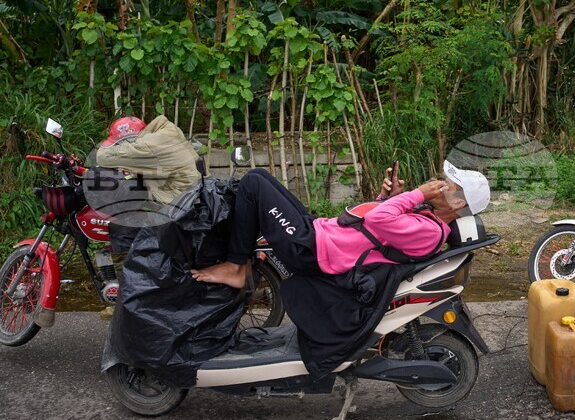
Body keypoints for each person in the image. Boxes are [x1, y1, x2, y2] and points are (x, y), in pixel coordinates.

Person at [191, 161, 491, 289]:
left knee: (254, 182)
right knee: (262, 179)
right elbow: (376, 228)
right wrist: (388, 196)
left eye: (448, 186)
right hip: (321, 234)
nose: (438, 185)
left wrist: (414, 195)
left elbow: (377, 220)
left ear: (459, 204)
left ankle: (234, 267)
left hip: (314, 250)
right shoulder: (427, 218)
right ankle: (239, 263)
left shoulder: (429, 231)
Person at [94, 115, 201, 206]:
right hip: (194, 191)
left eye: (119, 143)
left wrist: (122, 162)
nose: (119, 146)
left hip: (181, 202)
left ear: (129, 139)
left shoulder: (148, 145)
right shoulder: (166, 131)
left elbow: (103, 157)